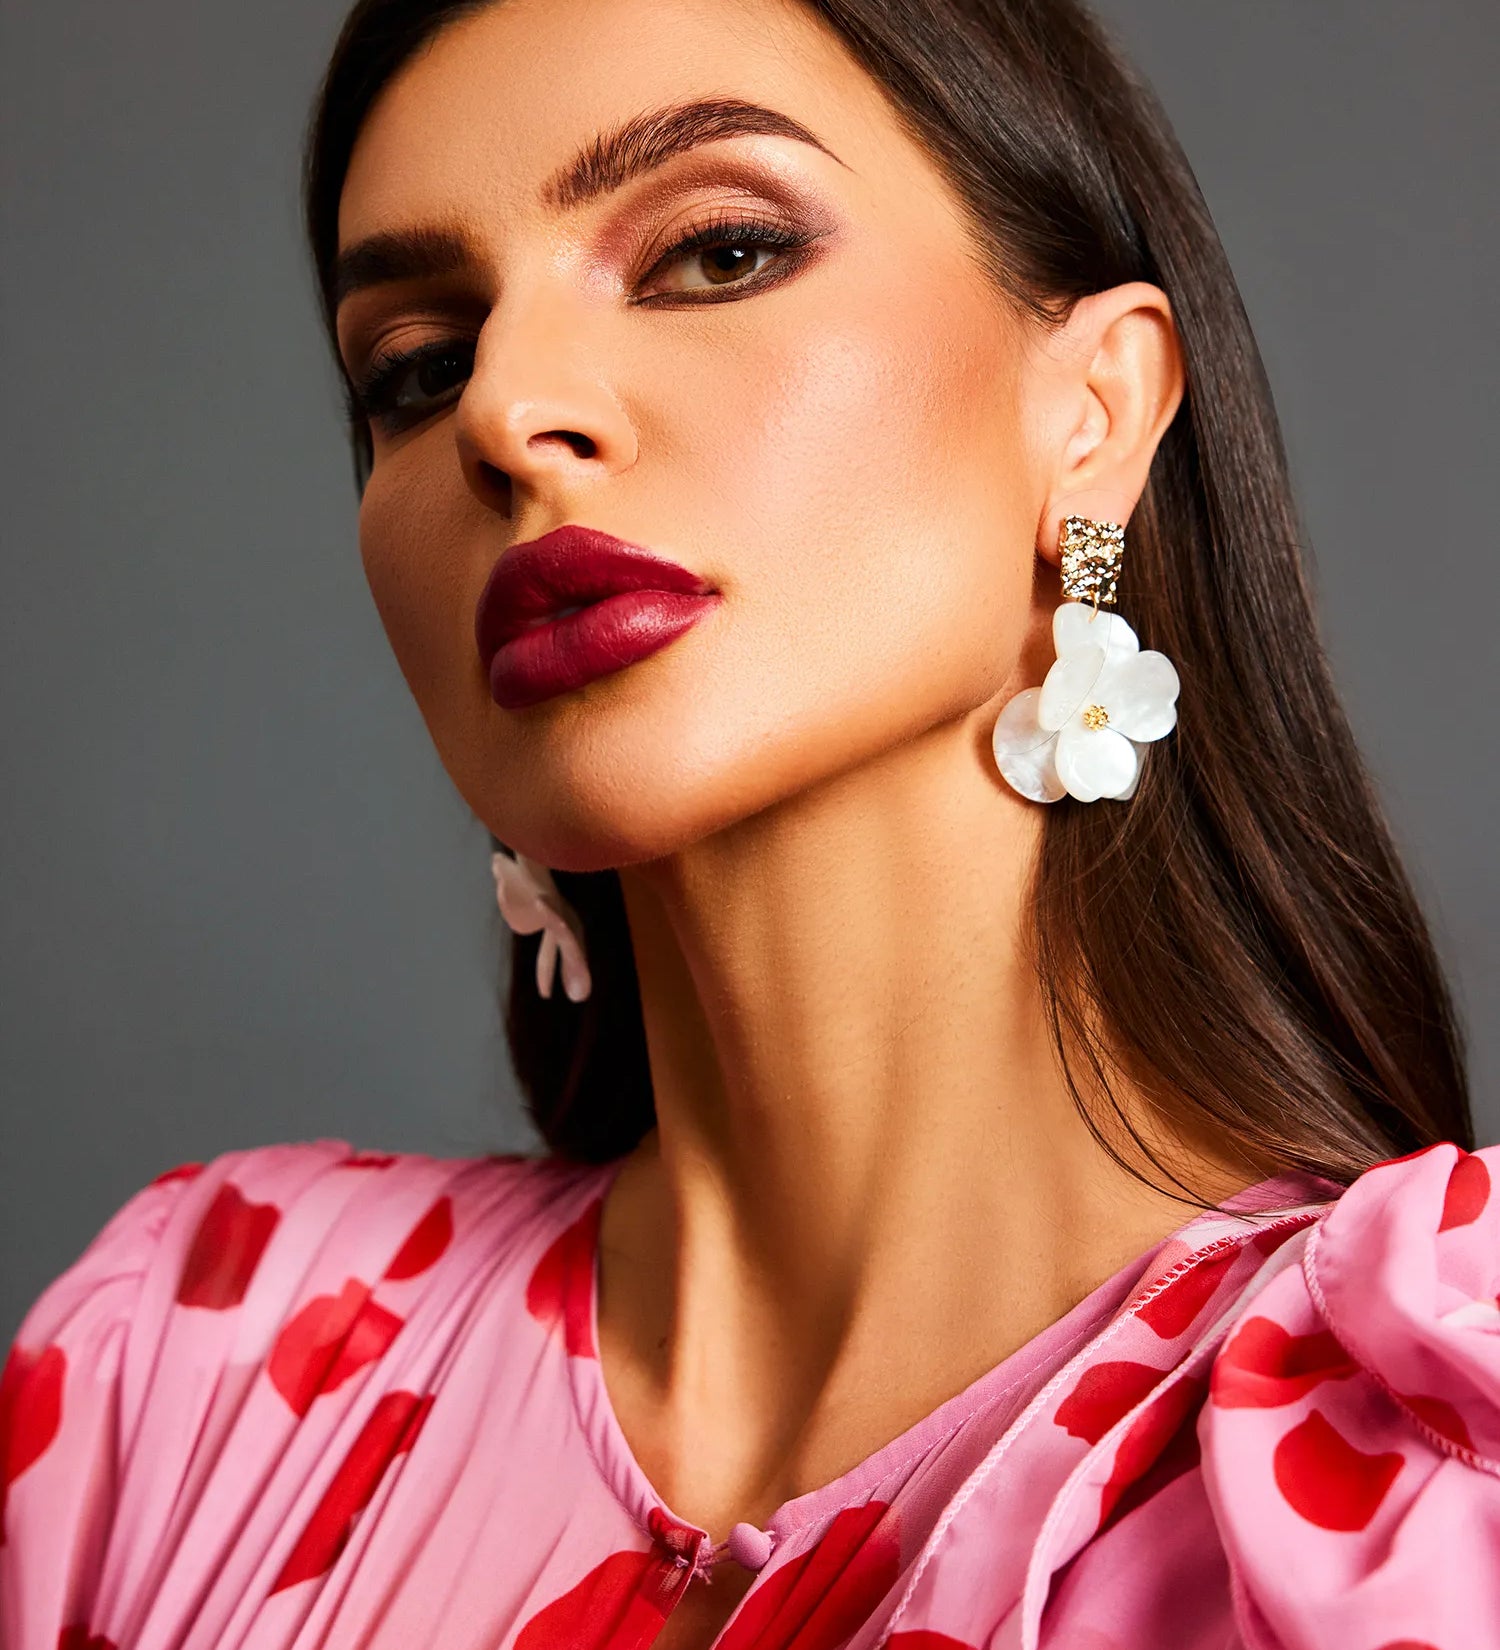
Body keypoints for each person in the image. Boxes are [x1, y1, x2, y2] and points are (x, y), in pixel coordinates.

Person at [2, 0, 1492, 1645]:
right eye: (418, 367)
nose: (504, 410)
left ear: (1094, 409)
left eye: (715, 255)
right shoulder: (194, 1366)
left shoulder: (1411, 1467)